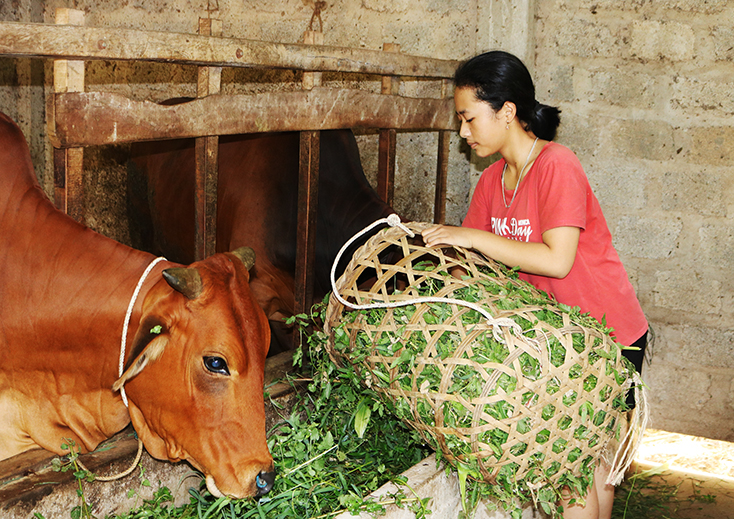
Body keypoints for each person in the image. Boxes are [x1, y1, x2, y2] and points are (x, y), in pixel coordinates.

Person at [421, 50, 648, 519]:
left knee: (582, 471)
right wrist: (439, 293)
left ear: (506, 111)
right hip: (558, 341)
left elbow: (557, 260)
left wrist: (470, 236)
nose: (463, 131)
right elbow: (474, 267)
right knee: (581, 471)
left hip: (607, 335)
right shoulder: (489, 184)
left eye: (469, 117)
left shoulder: (556, 165)